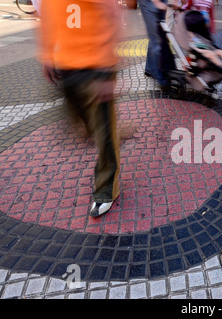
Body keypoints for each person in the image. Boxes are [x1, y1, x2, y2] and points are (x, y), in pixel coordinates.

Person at [38, 0, 122, 217]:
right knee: (86, 126)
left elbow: (110, 13)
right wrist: (48, 55)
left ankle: (106, 190)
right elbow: (48, 15)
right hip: (67, 65)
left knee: (104, 134)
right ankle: (113, 130)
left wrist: (106, 65)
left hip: (95, 67)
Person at [139, 0, 176, 87]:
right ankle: (161, 78)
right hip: (148, 2)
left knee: (161, 35)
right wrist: (156, 2)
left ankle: (154, 69)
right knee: (156, 39)